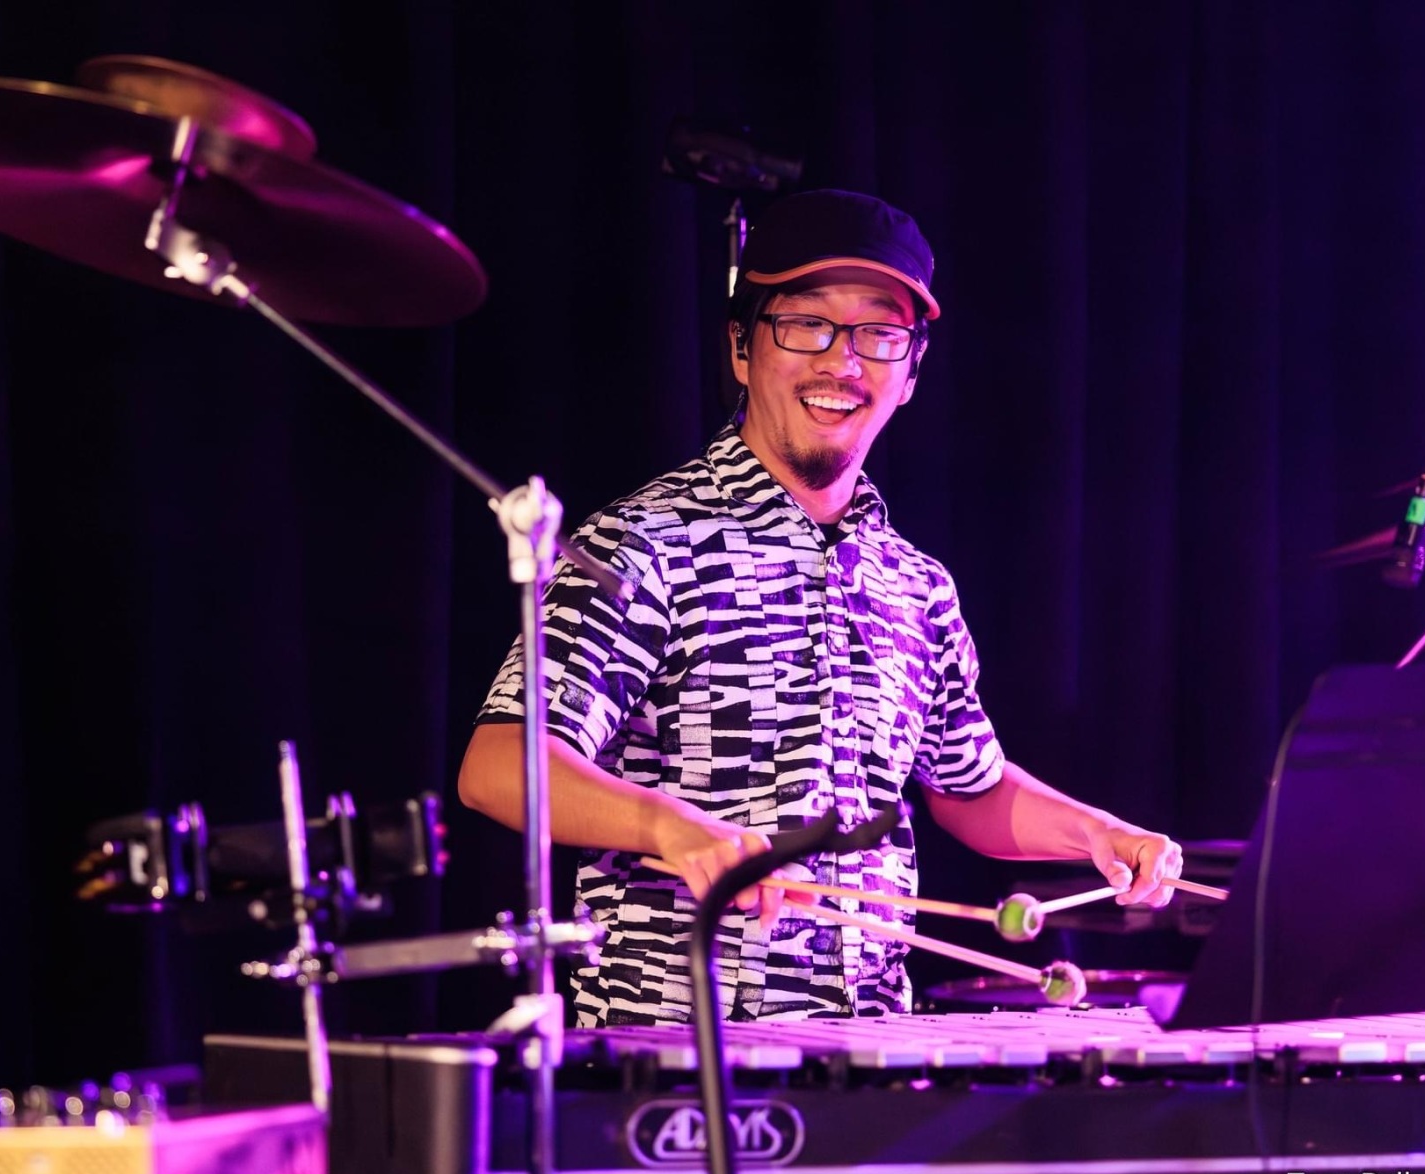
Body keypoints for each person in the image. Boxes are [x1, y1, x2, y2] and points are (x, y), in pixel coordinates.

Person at [457, 188, 1182, 1028]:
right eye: (807, 325)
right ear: (741, 349)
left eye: (878, 335)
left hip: (868, 1048)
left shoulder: (916, 585)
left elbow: (968, 789)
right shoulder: (644, 544)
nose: (843, 362)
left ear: (910, 375)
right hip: (675, 1050)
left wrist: (1097, 834)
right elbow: (499, 767)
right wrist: (675, 828)